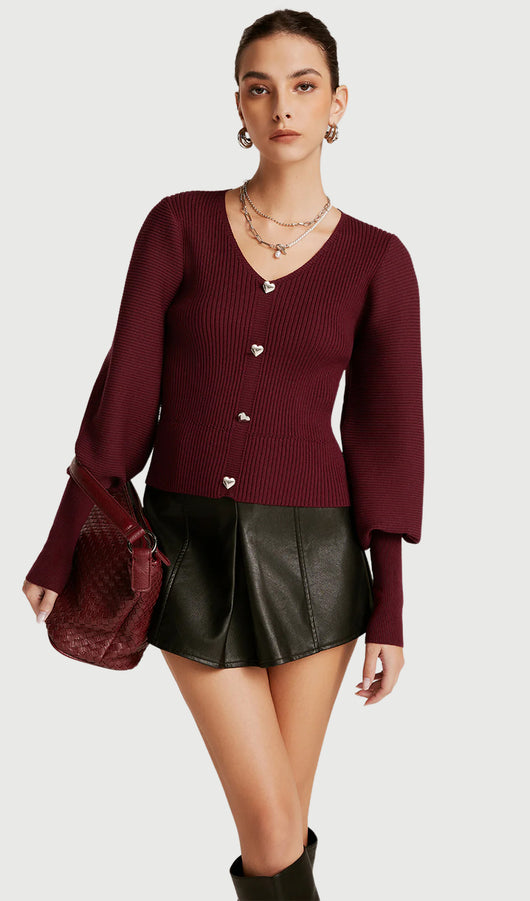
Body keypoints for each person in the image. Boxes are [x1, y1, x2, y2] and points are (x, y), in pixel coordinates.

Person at [22, 9, 424, 899]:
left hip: (318, 561)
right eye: (259, 87)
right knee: (275, 827)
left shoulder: (379, 260)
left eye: (304, 86)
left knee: (278, 825)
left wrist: (391, 604)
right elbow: (124, 393)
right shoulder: (179, 225)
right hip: (189, 551)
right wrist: (63, 539)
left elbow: (387, 436)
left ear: (338, 103)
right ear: (238, 104)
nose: (283, 106)